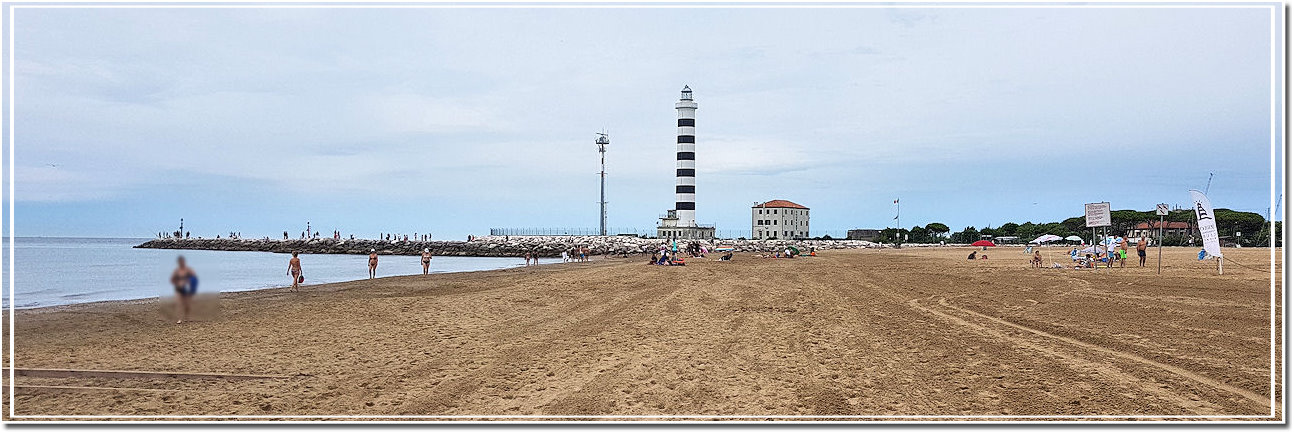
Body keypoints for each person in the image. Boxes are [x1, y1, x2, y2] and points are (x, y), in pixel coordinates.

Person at [169, 256, 197, 324]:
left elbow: (194, 278)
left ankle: (187, 317)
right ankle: (180, 319)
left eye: (182, 262)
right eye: (180, 262)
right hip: (179, 289)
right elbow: (172, 280)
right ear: (178, 263)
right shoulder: (176, 271)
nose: (181, 263)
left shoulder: (188, 270)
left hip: (187, 289)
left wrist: (187, 282)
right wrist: (178, 283)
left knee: (187, 304)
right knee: (179, 304)